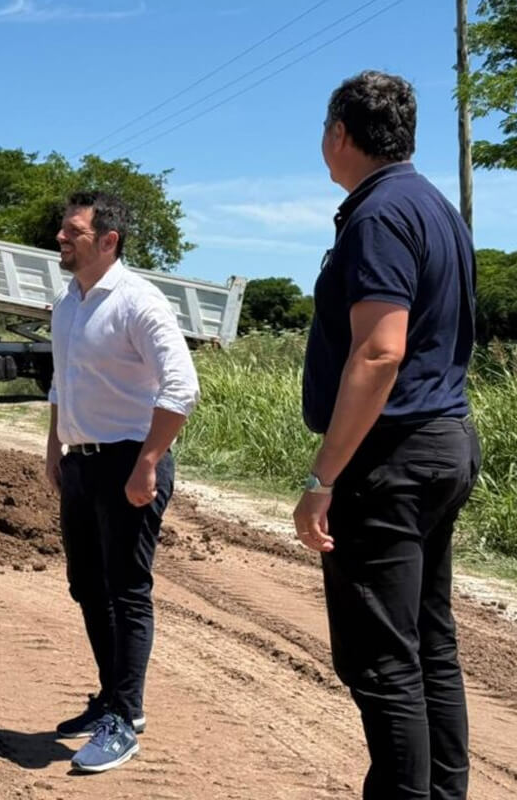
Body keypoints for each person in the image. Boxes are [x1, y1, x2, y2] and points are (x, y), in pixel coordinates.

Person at [294, 71, 479, 800]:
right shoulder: (433, 205)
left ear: (339, 135)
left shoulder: (377, 215)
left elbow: (379, 351)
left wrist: (323, 478)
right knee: (430, 645)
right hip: (444, 442)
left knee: (383, 662)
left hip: (391, 461)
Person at [44, 191, 199, 773]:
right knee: (87, 584)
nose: (61, 239)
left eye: (73, 232)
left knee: (127, 591)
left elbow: (181, 387)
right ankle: (110, 697)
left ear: (108, 241)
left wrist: (149, 461)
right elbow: (62, 382)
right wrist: (53, 447)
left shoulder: (138, 302)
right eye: (63, 230)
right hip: (81, 463)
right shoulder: (68, 303)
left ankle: (126, 719)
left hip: (130, 463)